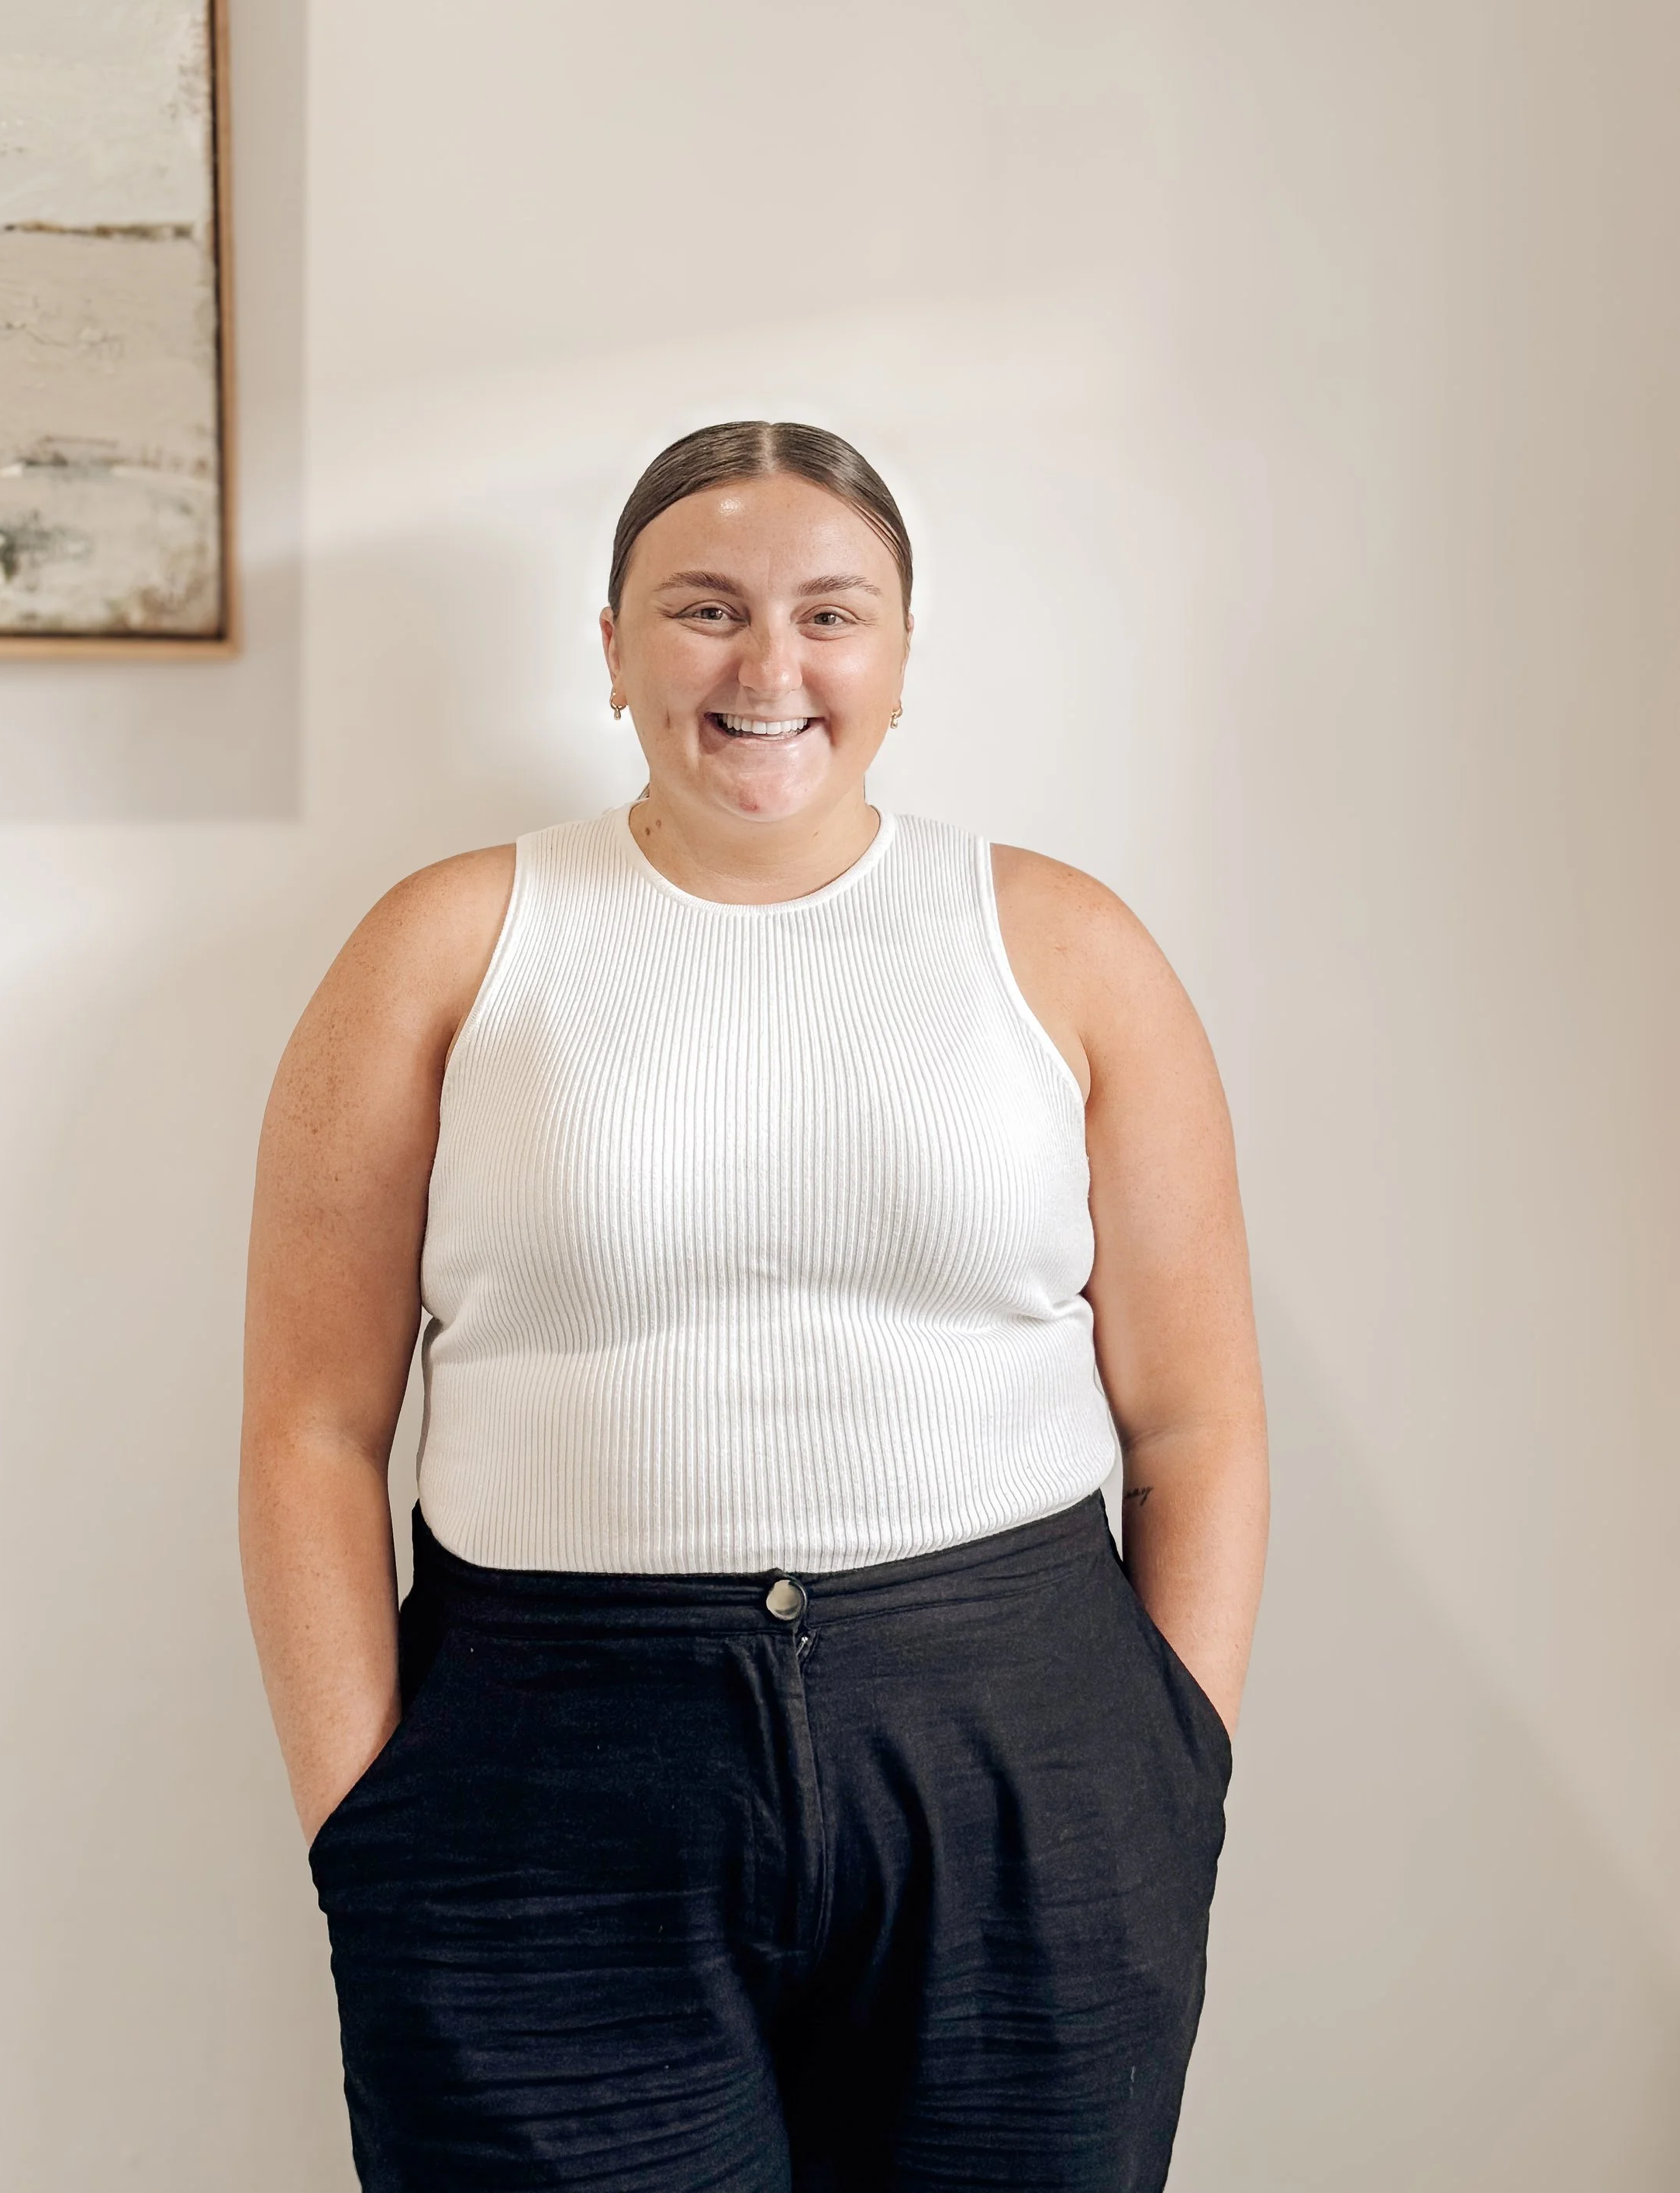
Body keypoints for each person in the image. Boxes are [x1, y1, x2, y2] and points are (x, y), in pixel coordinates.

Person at [240, 419, 1268, 2192]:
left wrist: (1171, 1765)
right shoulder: (450, 942)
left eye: (829, 613)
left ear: (898, 653)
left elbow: (1195, 1420)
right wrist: (367, 1826)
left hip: (1024, 1753)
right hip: (541, 1770)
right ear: (614, 645)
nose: (767, 666)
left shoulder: (1062, 947)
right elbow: (309, 1426)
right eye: (702, 609)